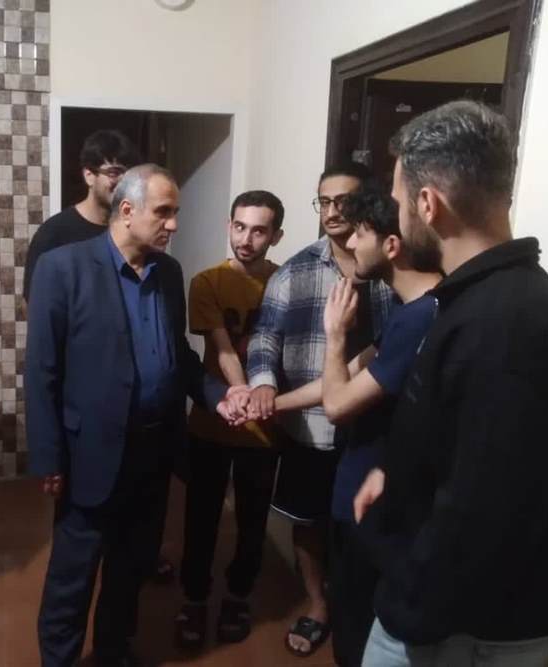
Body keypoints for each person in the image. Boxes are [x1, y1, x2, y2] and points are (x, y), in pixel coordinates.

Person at [355, 100, 548, 666]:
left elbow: (486, 515)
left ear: (428, 205)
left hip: (459, 630)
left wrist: (402, 593)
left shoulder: (505, 325)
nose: (398, 216)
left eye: (400, 202)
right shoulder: (487, 299)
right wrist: (400, 476)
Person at [25, 164, 249, 666]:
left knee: (131, 569)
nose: (174, 224)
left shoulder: (168, 273)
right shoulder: (63, 268)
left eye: (176, 213)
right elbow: (41, 371)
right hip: (90, 453)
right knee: (73, 577)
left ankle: (113, 651)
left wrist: (218, 395)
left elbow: (179, 358)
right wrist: (48, 456)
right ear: (127, 211)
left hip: (154, 452)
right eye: (164, 212)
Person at [270, 186, 441, 666]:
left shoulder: (421, 317)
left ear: (392, 245)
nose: (350, 243)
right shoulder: (416, 310)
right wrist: (268, 403)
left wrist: (334, 334)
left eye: (360, 233)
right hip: (369, 488)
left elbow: (338, 404)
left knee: (357, 626)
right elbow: (351, 377)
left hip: (378, 498)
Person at [245, 163, 393, 656]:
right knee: (307, 522)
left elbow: (391, 353)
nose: (331, 212)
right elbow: (265, 336)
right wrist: (263, 385)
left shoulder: (389, 268)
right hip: (309, 427)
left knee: (362, 525)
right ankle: (317, 603)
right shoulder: (296, 270)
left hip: (372, 429)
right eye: (323, 202)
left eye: (342, 201)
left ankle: (357, 609)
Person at [174, 190, 285, 650]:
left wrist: (261, 402)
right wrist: (241, 394)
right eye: (240, 227)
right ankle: (194, 599)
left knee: (253, 522)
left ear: (275, 235)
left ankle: (238, 596)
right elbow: (221, 348)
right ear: (228, 226)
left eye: (259, 230)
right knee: (200, 519)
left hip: (266, 426)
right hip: (214, 421)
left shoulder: (285, 283)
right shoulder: (207, 282)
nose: (246, 239)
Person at [22, 129, 141, 304]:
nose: (123, 183)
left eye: (128, 175)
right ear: (89, 176)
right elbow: (33, 302)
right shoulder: (54, 233)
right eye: (114, 173)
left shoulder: (132, 231)